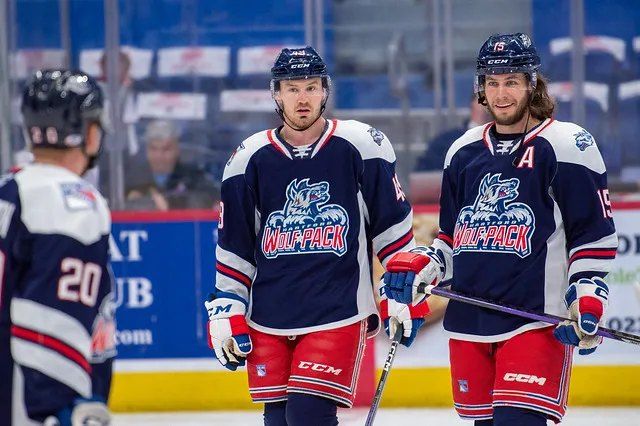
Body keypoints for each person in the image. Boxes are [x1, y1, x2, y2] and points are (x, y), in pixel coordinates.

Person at [383, 33, 617, 426]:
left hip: (536, 323)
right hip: (471, 325)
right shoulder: (462, 152)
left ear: (532, 84)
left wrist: (588, 292)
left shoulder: (568, 145)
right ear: (481, 88)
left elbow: (592, 236)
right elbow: (451, 241)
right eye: (492, 82)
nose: (501, 93)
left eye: (511, 81)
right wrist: (424, 268)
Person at [204, 46, 426, 426]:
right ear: (276, 94)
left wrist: (402, 285)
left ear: (326, 91)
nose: (302, 98)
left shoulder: (362, 147)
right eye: (292, 89)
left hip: (337, 312)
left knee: (308, 415)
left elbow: (392, 231)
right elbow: (236, 249)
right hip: (268, 317)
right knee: (278, 420)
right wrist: (227, 306)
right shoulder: (248, 159)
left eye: (311, 87)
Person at [0, 69, 115, 425]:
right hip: (25, 398)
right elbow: (52, 321)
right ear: (90, 133)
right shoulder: (71, 200)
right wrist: (59, 409)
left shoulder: (11, 187)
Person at [411, 94, 492, 204]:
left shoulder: (515, 143)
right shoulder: (445, 142)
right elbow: (422, 182)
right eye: (486, 97)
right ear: (473, 103)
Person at [136, 119, 220, 209]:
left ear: (176, 150)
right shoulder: (134, 179)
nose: (159, 156)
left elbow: (214, 199)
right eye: (153, 149)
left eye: (166, 149)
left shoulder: (192, 176)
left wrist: (172, 205)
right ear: (146, 151)